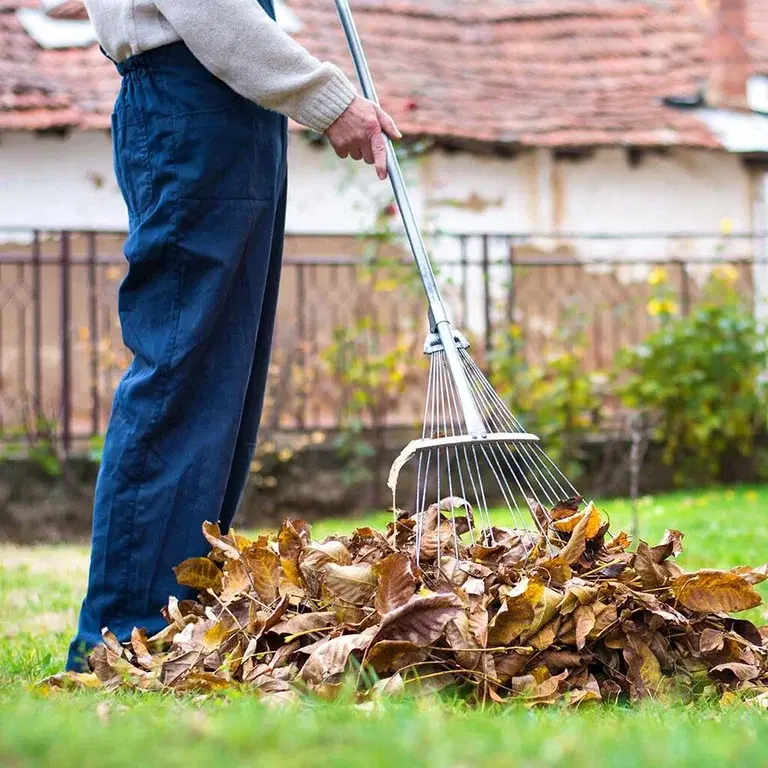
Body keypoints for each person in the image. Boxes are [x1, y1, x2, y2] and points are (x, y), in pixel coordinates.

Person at [67, 0, 400, 672]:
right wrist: (328, 99)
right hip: (190, 102)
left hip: (230, 112)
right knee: (183, 376)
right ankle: (122, 633)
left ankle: (177, 620)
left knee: (222, 388)